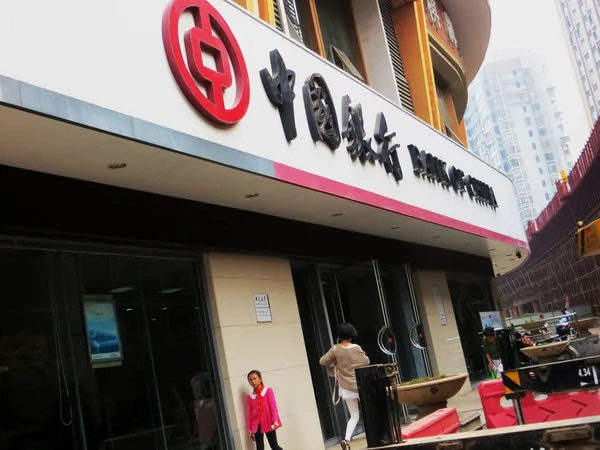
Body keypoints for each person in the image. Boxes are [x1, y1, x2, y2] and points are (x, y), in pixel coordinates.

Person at [319, 323, 370, 450]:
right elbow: (366, 361)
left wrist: (336, 365)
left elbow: (322, 361)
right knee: (369, 413)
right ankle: (373, 437)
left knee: (354, 415)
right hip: (360, 385)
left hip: (346, 387)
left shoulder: (335, 349)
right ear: (352, 334)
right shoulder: (356, 348)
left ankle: (346, 439)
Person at [247, 370, 283, 450]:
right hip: (256, 425)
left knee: (274, 446)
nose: (253, 381)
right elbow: (250, 413)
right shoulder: (250, 397)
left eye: (255, 378)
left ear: (260, 379)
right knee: (259, 448)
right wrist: (250, 428)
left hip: (268, 421)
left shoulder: (268, 391)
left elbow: (273, 407)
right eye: (250, 380)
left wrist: (275, 420)